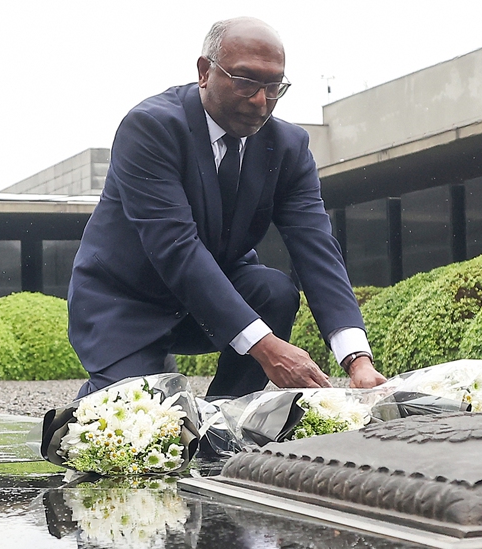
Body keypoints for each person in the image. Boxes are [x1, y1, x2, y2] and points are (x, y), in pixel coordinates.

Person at [68, 18, 386, 398]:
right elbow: (176, 248)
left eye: (274, 86)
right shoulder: (151, 128)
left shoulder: (288, 146)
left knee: (274, 291)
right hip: (125, 303)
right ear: (205, 72)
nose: (260, 101)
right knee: (138, 424)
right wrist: (267, 348)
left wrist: (358, 360)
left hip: (212, 300)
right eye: (245, 82)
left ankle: (226, 419)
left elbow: (316, 249)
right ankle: (104, 398)